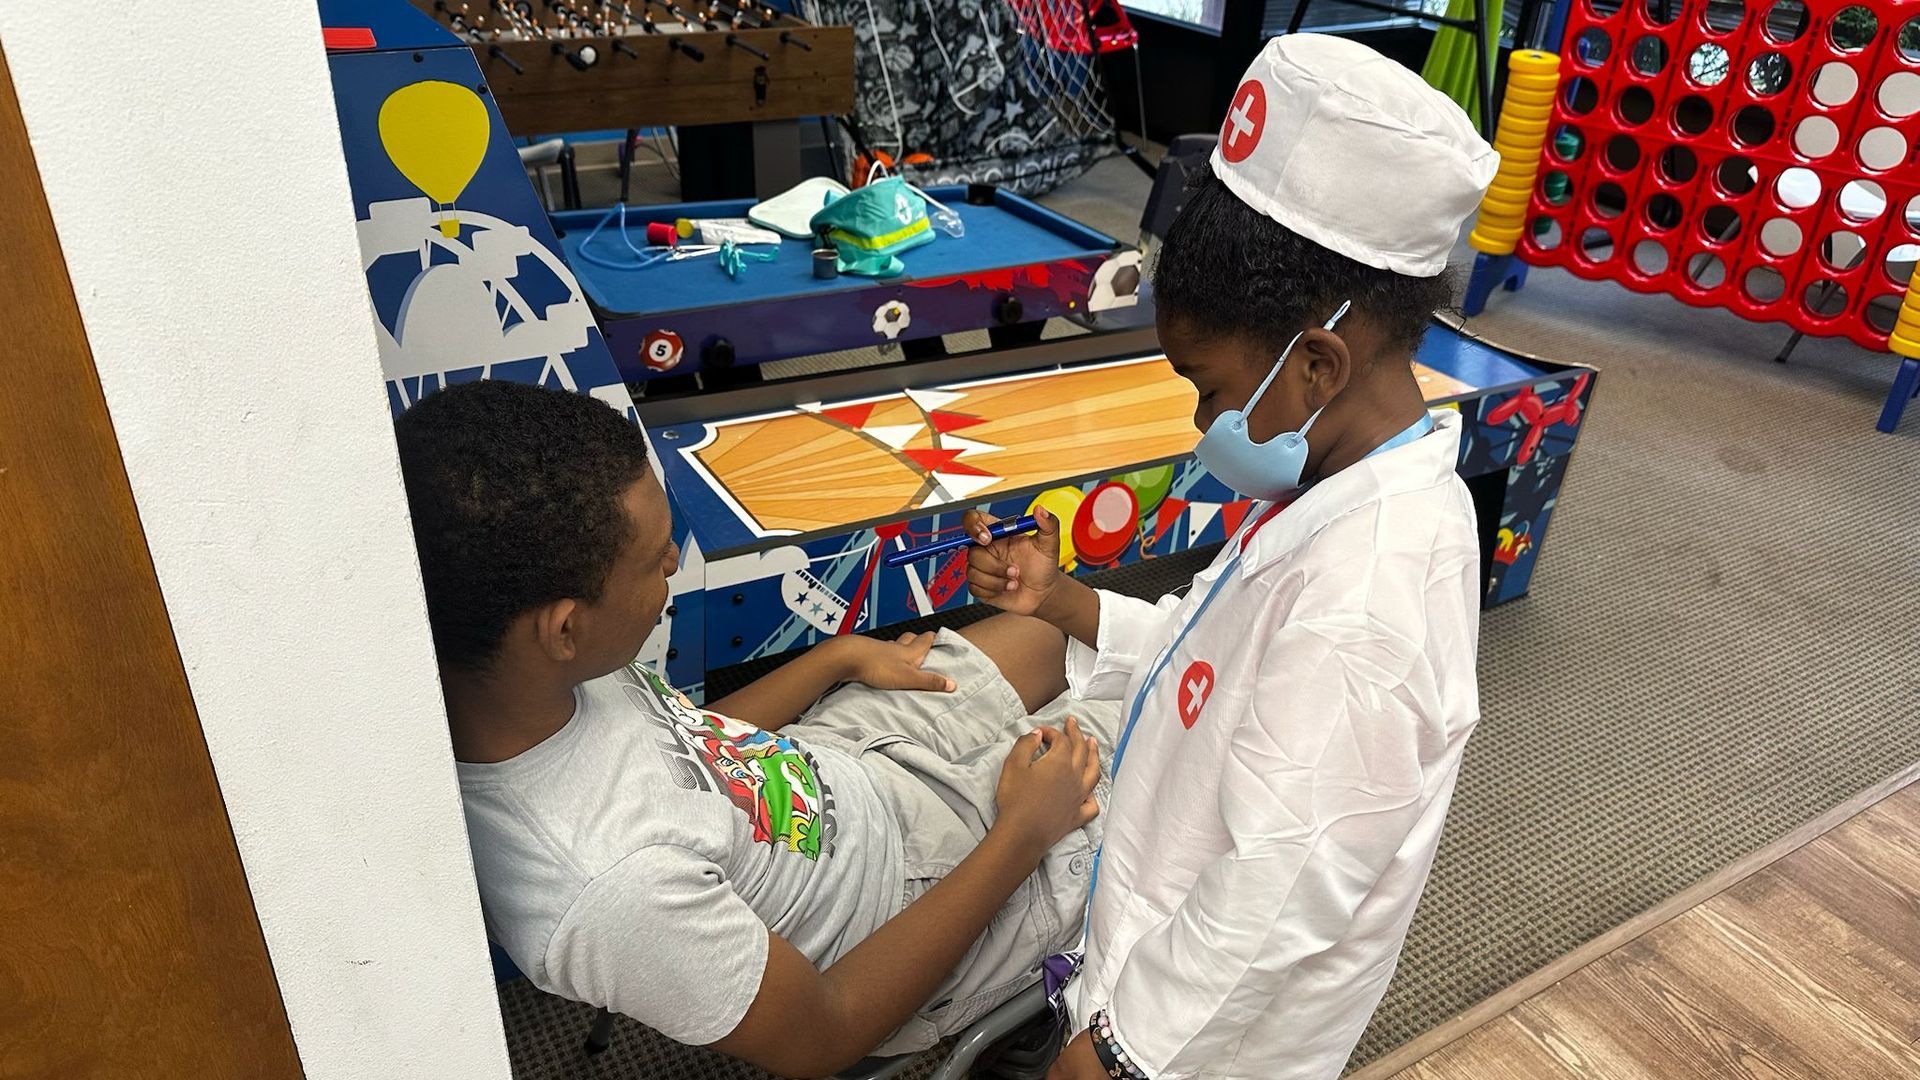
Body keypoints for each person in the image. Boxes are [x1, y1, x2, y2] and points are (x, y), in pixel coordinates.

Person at [963, 34, 1499, 1080]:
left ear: (1317, 365)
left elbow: (1274, 897)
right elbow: (1210, 665)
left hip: (1185, 1047)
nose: (1202, 420)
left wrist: (1114, 1055)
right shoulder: (1330, 489)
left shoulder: (1366, 600)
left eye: (1207, 389)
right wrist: (1068, 603)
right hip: (1134, 967)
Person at [393, 378, 1120, 1079]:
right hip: (913, 894)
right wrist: (1024, 832)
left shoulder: (528, 683)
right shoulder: (611, 887)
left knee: (1068, 637)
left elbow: (689, 748)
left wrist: (837, 658)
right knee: (1160, 733)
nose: (673, 561)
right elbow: (827, 1033)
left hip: (831, 765)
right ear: (564, 629)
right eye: (653, 561)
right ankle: (1042, 1015)